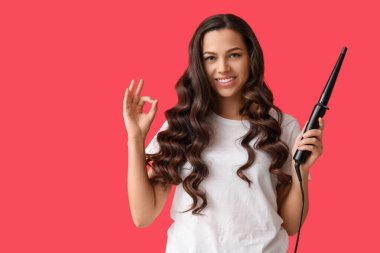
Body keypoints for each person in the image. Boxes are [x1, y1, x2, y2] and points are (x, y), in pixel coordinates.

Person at [123, 13, 324, 253]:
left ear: (251, 58)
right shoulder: (181, 126)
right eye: (210, 58)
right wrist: (135, 138)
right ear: (199, 64)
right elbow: (143, 216)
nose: (223, 68)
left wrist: (301, 169)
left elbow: (290, 225)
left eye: (234, 55)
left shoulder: (283, 127)